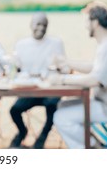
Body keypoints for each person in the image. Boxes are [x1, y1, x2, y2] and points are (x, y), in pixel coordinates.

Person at [51, 1, 107, 149]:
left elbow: (95, 79)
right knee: (62, 105)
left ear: (95, 22)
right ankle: (96, 145)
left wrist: (62, 79)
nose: (85, 25)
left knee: (61, 117)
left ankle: (93, 150)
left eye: (87, 21)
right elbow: (95, 67)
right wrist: (67, 62)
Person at [9, 12, 68, 149]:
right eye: (38, 24)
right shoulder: (21, 44)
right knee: (14, 110)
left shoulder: (56, 43)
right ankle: (22, 133)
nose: (41, 28)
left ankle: (41, 139)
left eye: (44, 25)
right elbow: (15, 69)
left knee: (52, 105)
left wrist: (58, 69)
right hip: (29, 90)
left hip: (50, 90)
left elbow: (64, 68)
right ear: (31, 25)